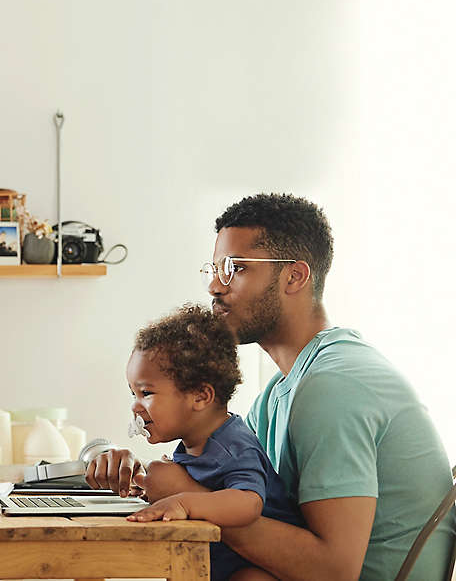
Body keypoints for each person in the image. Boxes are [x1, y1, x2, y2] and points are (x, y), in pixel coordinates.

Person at [86, 193, 456, 580]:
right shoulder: (280, 392)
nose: (215, 285)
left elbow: (333, 571)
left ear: (294, 276)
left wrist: (189, 497)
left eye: (236, 268)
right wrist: (142, 474)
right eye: (214, 269)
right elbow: (239, 493)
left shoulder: (334, 386)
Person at [123, 303, 302, 581]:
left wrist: (183, 502)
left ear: (200, 396)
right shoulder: (193, 443)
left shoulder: (233, 445)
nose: (136, 406)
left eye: (146, 392)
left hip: (266, 570)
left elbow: (248, 503)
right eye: (133, 393)